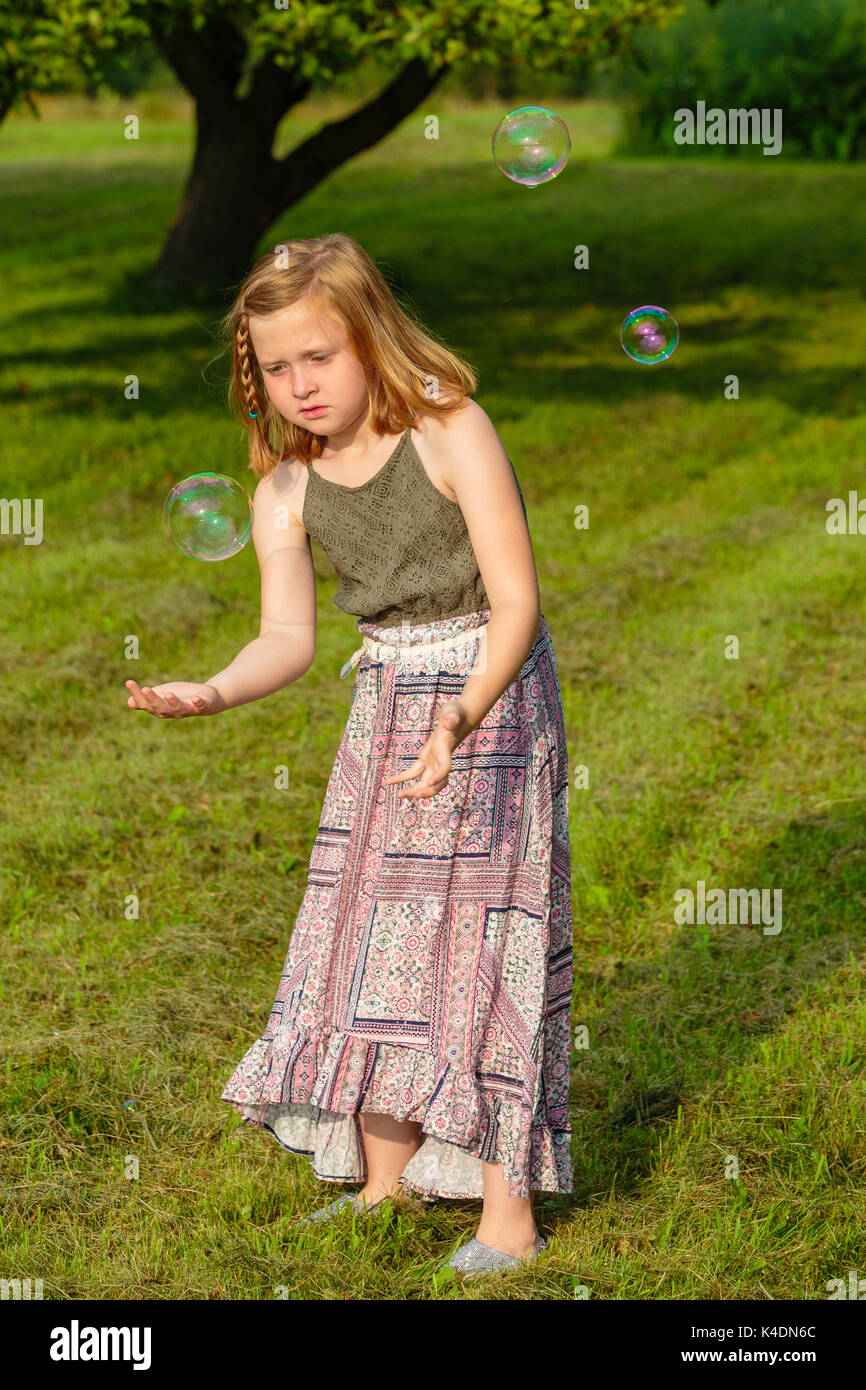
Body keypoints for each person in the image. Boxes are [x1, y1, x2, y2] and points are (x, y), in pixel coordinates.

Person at [125, 233, 573, 1279]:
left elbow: (517, 602)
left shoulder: (450, 432)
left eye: (318, 357)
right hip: (384, 704)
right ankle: (385, 1176)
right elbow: (288, 637)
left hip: (489, 696)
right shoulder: (285, 487)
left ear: (369, 337)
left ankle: (507, 1211)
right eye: (276, 368)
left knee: (485, 943)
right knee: (367, 930)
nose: (299, 385)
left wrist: (460, 716)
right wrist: (213, 687)